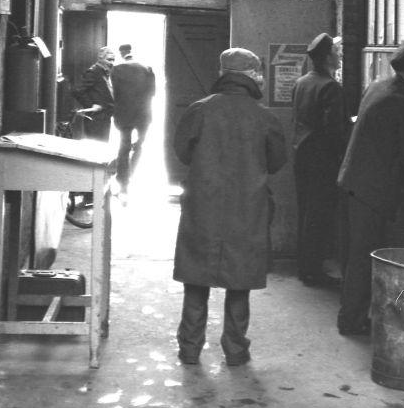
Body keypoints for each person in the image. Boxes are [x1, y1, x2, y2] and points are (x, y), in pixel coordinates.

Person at [172, 47, 287, 367]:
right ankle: (235, 349)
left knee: (197, 276)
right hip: (247, 210)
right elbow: (276, 162)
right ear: (249, 76)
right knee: (240, 280)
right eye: (259, 72)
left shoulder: (199, 110)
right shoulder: (265, 117)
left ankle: (190, 348)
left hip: (202, 206)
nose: (262, 77)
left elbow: (182, 152)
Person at [336, 40, 404, 336]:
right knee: (370, 257)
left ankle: (353, 317)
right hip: (375, 190)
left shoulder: (378, 86)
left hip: (356, 181)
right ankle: (356, 321)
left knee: (359, 256)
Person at [291, 33, 347, 287]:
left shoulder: (301, 82)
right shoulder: (331, 87)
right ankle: (313, 271)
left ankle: (306, 266)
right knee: (319, 214)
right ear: (327, 57)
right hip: (323, 159)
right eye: (336, 52)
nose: (339, 56)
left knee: (307, 211)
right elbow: (334, 130)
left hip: (302, 154)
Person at [110, 44, 156, 195]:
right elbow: (152, 92)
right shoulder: (147, 68)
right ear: (132, 52)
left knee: (124, 147)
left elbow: (114, 93)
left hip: (124, 114)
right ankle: (131, 175)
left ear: (121, 53)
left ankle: (123, 182)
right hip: (143, 114)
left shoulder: (116, 69)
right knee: (139, 146)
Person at [71, 46, 116, 142]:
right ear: (100, 59)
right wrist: (91, 105)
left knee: (102, 145)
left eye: (113, 60)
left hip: (103, 117)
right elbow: (77, 90)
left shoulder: (103, 72)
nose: (111, 63)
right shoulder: (94, 71)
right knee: (96, 146)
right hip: (96, 118)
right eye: (109, 60)